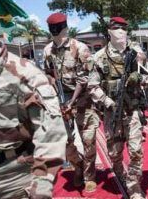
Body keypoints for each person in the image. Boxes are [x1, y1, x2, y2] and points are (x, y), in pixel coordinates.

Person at [0, 25, 67, 198]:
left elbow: (51, 134)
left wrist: (41, 188)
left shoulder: (25, 74)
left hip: (10, 179)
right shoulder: (48, 51)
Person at [88, 17, 148, 198]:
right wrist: (108, 102)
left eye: (124, 28)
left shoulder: (137, 53)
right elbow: (92, 86)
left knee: (136, 150)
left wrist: (139, 78)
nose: (120, 31)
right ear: (109, 31)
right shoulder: (99, 57)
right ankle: (118, 171)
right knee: (114, 152)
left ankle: (134, 188)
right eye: (116, 28)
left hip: (132, 111)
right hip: (111, 112)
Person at [42, 12, 98, 192]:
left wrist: (71, 101)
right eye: (51, 29)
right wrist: (53, 87)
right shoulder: (47, 50)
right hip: (60, 99)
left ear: (64, 28)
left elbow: (84, 79)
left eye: (56, 28)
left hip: (82, 100)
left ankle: (89, 176)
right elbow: (48, 73)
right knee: (63, 141)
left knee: (88, 139)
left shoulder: (80, 48)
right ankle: (78, 165)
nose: (54, 32)